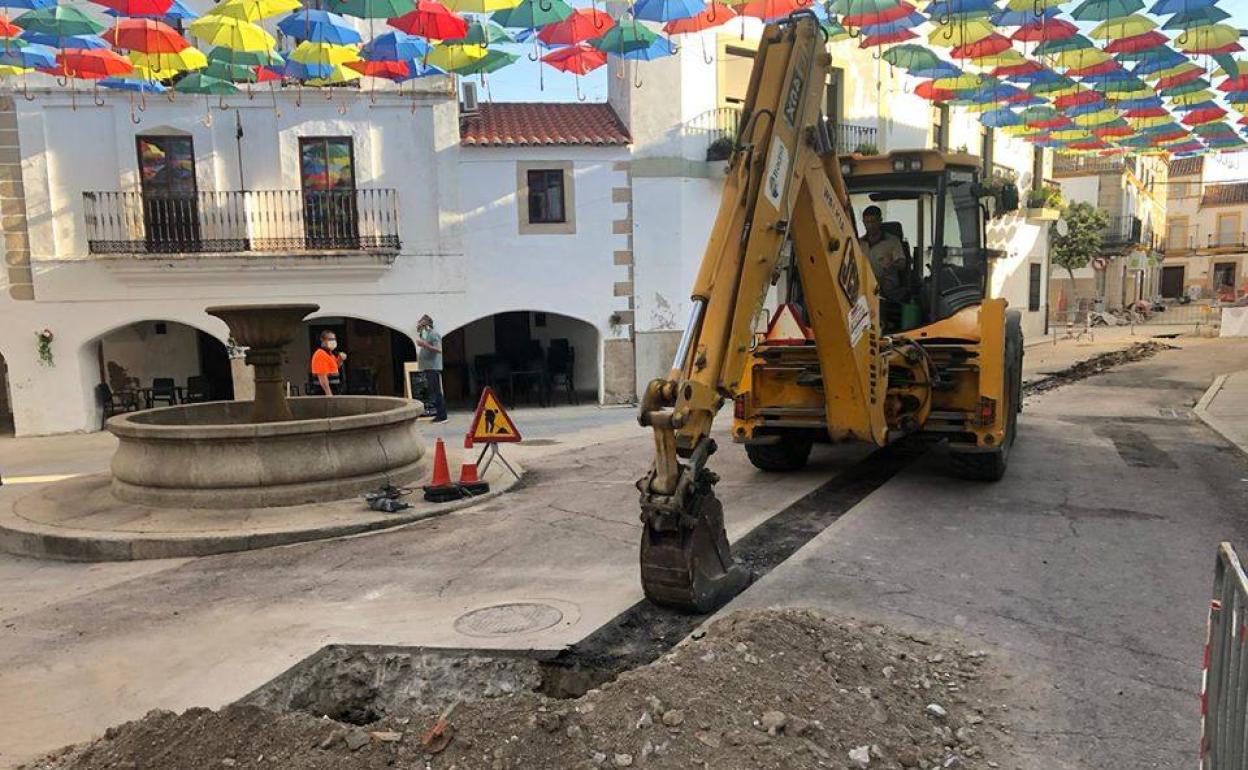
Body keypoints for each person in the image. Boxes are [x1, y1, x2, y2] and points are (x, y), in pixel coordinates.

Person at [859, 205, 908, 303]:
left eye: (873, 222)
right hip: (864, 283)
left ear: (880, 221)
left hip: (886, 284)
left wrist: (892, 264)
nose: (870, 226)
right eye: (867, 222)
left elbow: (902, 264)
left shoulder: (892, 241)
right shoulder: (859, 243)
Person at [415, 314, 447, 423]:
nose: (419, 324)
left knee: (437, 391)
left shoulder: (434, 334)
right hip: (427, 367)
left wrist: (424, 345)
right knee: (433, 391)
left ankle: (442, 416)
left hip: (433, 367)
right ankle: (439, 414)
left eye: (422, 322)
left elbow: (438, 349)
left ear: (427, 324)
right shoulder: (426, 334)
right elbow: (422, 338)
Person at [310, 329, 346, 396]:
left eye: (334, 339)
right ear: (322, 340)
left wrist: (340, 360)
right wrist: (329, 394)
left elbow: (334, 368)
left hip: (335, 390)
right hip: (324, 393)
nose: (333, 341)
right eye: (330, 339)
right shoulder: (320, 354)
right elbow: (322, 377)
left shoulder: (330, 354)